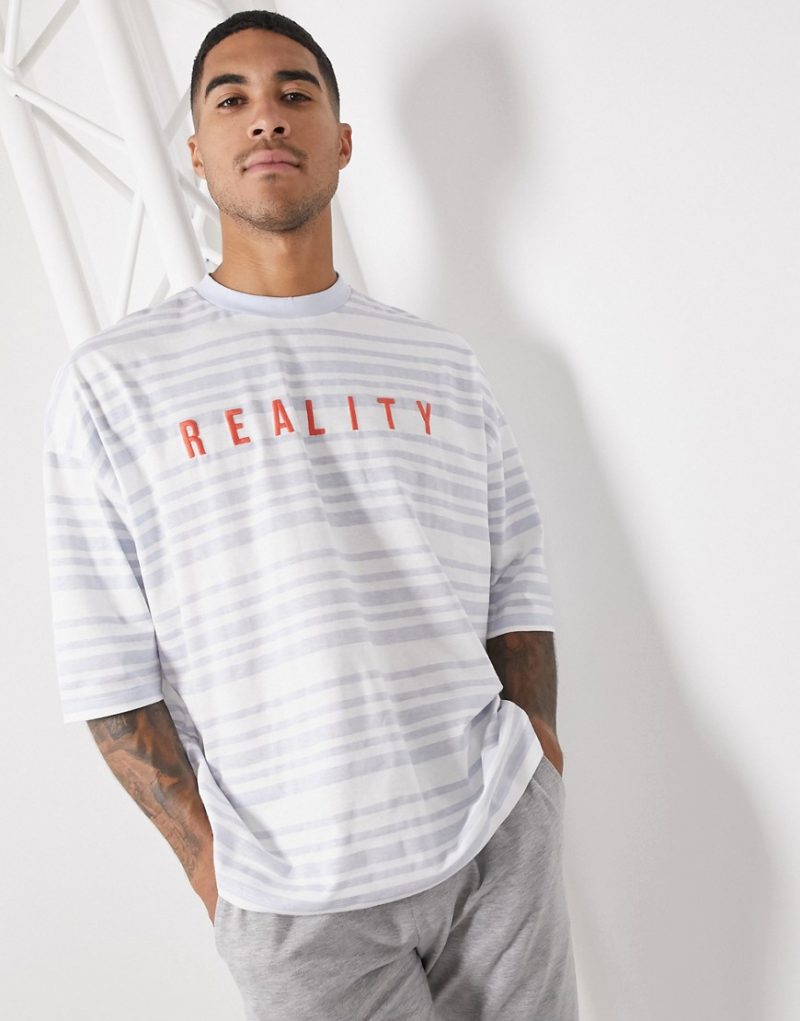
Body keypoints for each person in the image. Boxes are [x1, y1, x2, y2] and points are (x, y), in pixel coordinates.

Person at [41, 9, 579, 1019]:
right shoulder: (116, 382)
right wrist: (214, 871)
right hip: (295, 899)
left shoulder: (439, 363)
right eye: (231, 99)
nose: (266, 117)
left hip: (493, 844)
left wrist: (535, 757)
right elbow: (105, 664)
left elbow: (516, 570)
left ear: (341, 140)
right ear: (195, 152)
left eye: (295, 93)